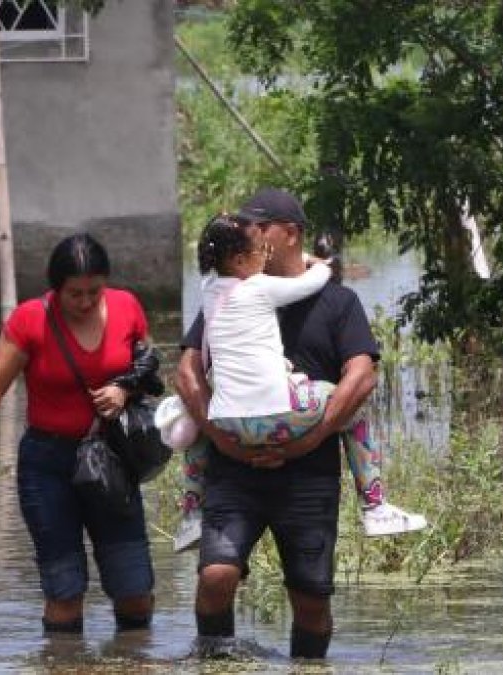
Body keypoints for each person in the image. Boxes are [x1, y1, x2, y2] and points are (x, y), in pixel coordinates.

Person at [175, 188, 418, 660]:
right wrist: (225, 440)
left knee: (310, 601)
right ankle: (215, 661)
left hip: (310, 472)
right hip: (234, 468)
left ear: (290, 234)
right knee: (215, 576)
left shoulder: (339, 303)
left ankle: (309, 668)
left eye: (257, 228)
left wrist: (314, 438)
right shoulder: (227, 294)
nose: (246, 237)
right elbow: (187, 372)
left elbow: (362, 375)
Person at [170, 213, 426, 552]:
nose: (265, 253)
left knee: (195, 407)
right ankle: (374, 505)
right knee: (351, 405)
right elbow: (311, 283)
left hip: (228, 426)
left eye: (266, 239)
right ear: (239, 260)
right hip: (281, 420)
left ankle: (191, 512)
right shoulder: (259, 286)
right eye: (259, 247)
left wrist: (224, 438)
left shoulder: (210, 292)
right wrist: (319, 263)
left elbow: (188, 375)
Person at [0, 233, 156, 636]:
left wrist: (123, 389)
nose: (85, 302)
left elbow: (147, 368)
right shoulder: (31, 319)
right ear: (56, 288)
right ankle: (64, 660)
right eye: (75, 293)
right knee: (64, 589)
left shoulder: (126, 306)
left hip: (110, 461)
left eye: (94, 292)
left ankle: (136, 659)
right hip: (49, 465)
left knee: (133, 587)